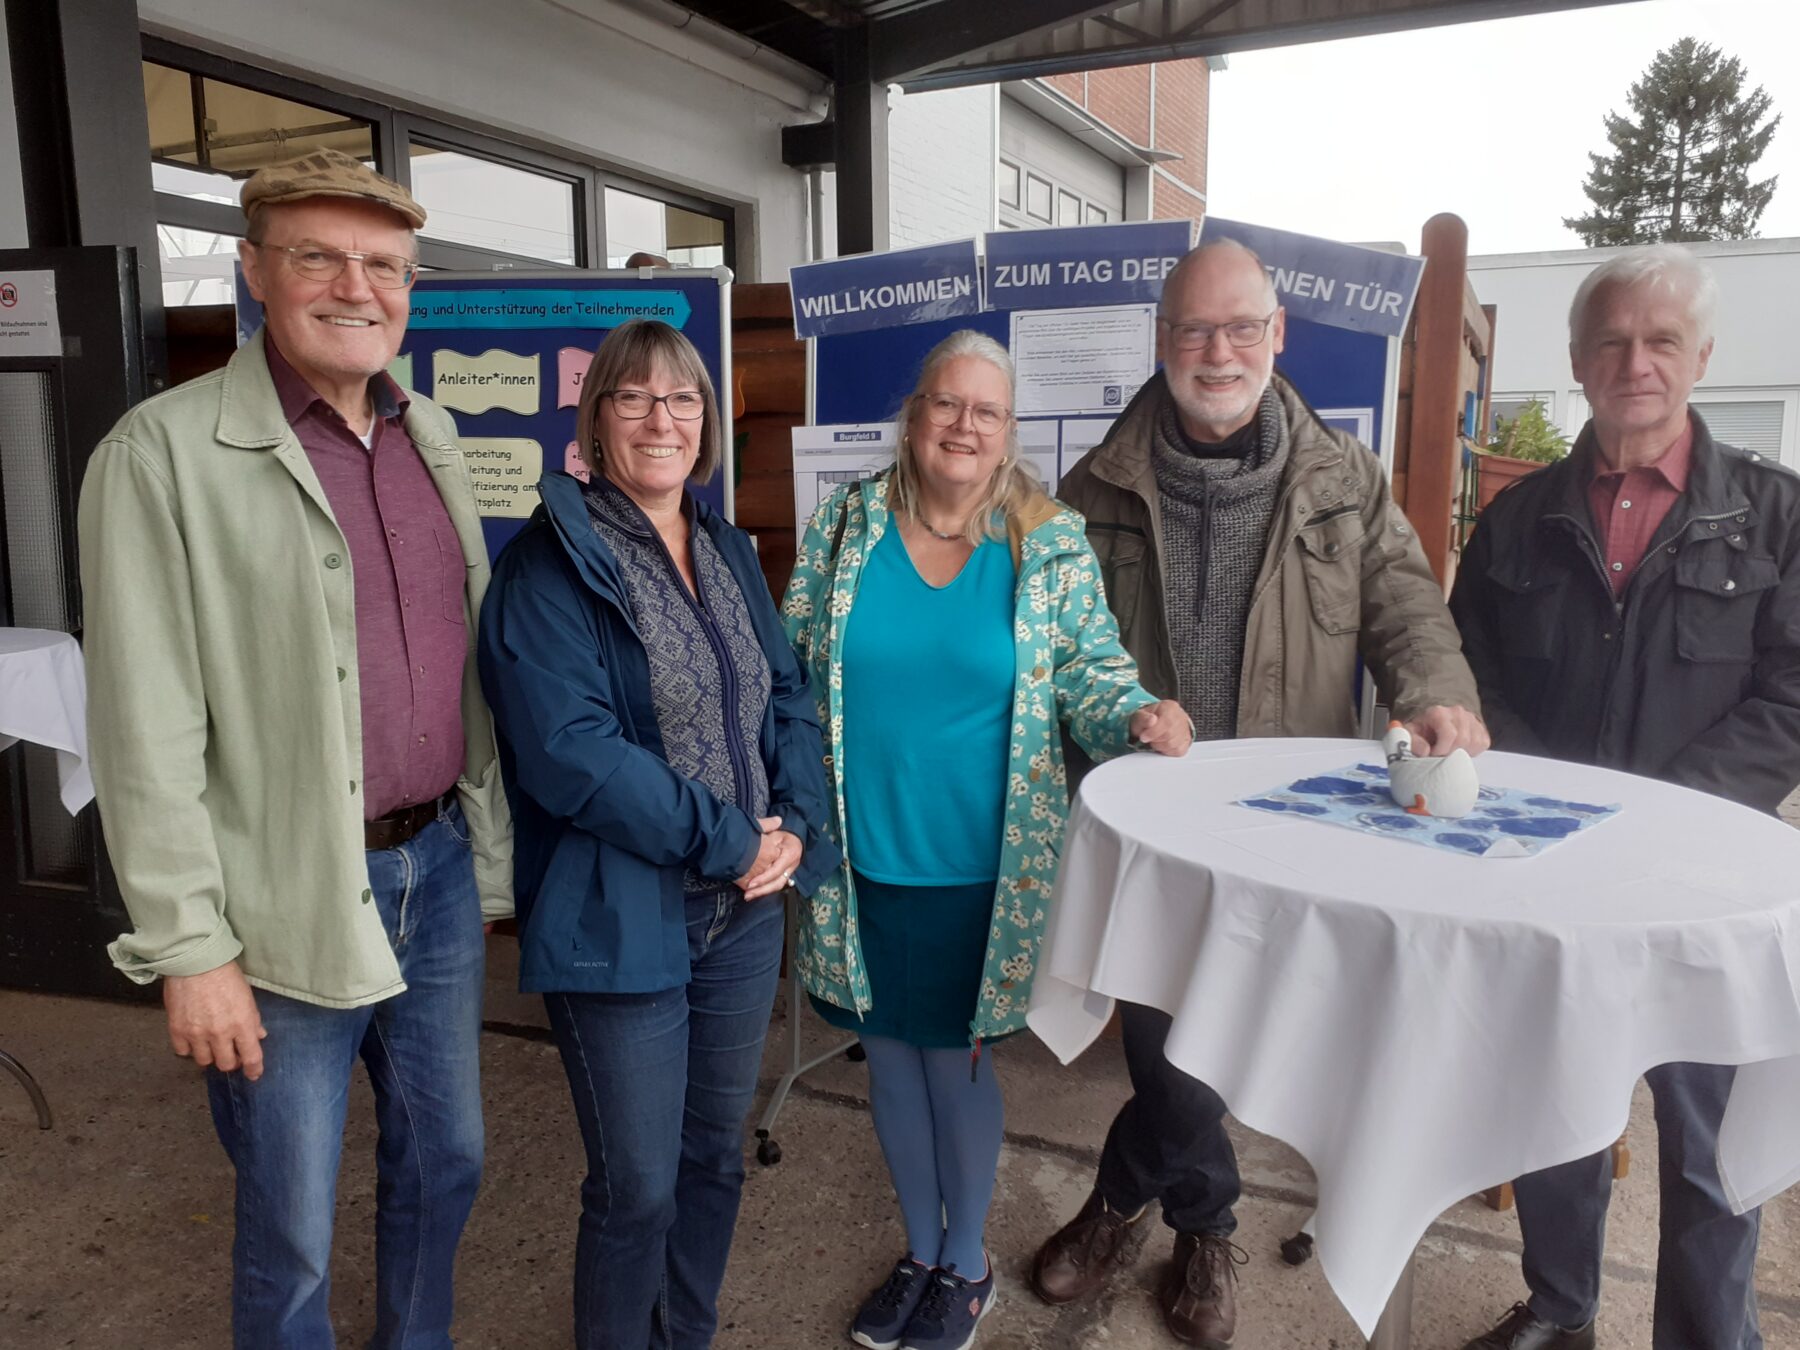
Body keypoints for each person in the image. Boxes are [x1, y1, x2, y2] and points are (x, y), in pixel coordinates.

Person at [78, 147, 513, 1348]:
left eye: (383, 265)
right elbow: (142, 727)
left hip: (429, 882)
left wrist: (479, 860)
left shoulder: (431, 440)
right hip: (277, 904)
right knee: (292, 1223)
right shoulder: (159, 455)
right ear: (255, 273)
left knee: (450, 1162)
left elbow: (463, 670)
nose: (354, 287)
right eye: (318, 256)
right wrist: (189, 948)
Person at [1034, 237, 1487, 1348]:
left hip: (1289, 832)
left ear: (1279, 335)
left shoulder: (1343, 478)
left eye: (1242, 328)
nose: (1217, 351)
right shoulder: (1090, 489)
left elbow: (1406, 606)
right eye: (1194, 329)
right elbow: (1047, 651)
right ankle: (1206, 1219)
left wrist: (1435, 691)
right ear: (1161, 340)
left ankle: (1126, 1200)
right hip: (1149, 829)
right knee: (1169, 1043)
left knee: (1236, 1041)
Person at [782, 329, 1193, 1350]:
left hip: (981, 871)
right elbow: (788, 668)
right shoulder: (843, 527)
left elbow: (1092, 675)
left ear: (1010, 432)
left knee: (955, 1068)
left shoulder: (1045, 541)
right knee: (887, 1064)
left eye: (988, 411)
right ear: (914, 415)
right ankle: (918, 1251)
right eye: (946, 404)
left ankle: (965, 1265)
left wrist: (1139, 714)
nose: (965, 426)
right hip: (858, 859)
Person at [1449, 245, 1797, 1350]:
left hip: (1702, 886)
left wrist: (1662, 816)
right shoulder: (1516, 519)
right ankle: (1561, 1310)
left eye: (1659, 341)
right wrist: (1551, 804)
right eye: (1611, 340)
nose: (1634, 362)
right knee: (1558, 1109)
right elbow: (1474, 673)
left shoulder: (1777, 516)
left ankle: (1705, 1336)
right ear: (1577, 359)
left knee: (1706, 1142)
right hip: (1554, 875)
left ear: (1700, 357)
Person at [476, 319, 838, 1350]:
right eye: (632, 397)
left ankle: (685, 1332)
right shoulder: (548, 565)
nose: (660, 418)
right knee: (635, 1186)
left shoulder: (725, 545)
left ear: (707, 422)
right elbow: (569, 751)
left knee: (713, 1158)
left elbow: (787, 696)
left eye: (681, 399)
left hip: (744, 919)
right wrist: (731, 840)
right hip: (624, 917)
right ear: (597, 419)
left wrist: (797, 825)